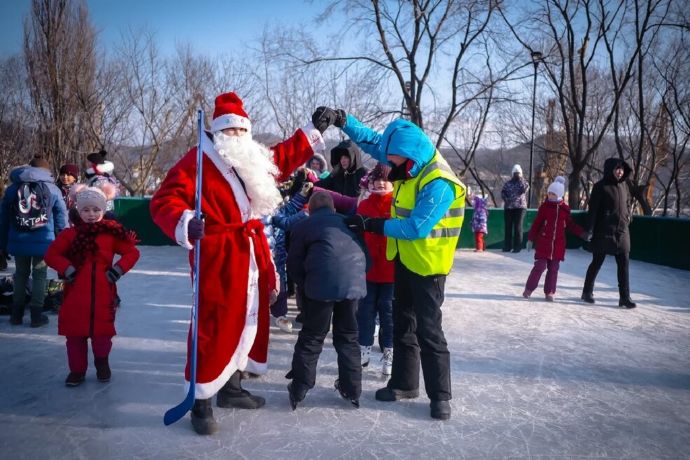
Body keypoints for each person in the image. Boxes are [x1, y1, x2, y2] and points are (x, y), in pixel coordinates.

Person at [149, 91, 327, 435]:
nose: (235, 137)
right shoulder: (196, 161)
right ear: (217, 132)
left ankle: (231, 389)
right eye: (229, 131)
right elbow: (162, 201)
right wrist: (185, 221)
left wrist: (311, 130)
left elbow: (282, 157)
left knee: (246, 321)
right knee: (212, 323)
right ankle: (201, 402)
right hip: (216, 252)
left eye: (240, 131)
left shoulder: (250, 158)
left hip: (249, 250)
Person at [314, 106, 466, 420]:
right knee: (402, 325)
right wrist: (345, 122)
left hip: (430, 268)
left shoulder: (439, 183)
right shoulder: (408, 160)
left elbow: (416, 228)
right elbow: (373, 142)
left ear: (407, 156)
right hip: (404, 261)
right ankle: (404, 384)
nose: (387, 163)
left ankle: (440, 396)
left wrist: (372, 224)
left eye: (392, 159)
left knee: (429, 331)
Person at [44, 187, 140, 386]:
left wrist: (116, 271)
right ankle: (77, 371)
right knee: (75, 336)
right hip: (75, 296)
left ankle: (102, 362)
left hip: (103, 295)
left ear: (103, 211)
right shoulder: (70, 235)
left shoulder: (111, 234)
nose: (91, 214)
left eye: (96, 210)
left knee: (102, 335)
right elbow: (51, 255)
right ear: (78, 212)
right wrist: (68, 269)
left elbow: (132, 253)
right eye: (86, 210)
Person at [285, 191, 367, 410]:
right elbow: (364, 254)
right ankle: (352, 389)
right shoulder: (347, 223)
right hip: (353, 285)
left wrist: (306, 285)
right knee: (348, 337)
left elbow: (293, 264)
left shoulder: (303, 226)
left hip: (320, 286)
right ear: (333, 208)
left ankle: (300, 386)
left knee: (312, 336)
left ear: (310, 209)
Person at [0, 155, 68, 327]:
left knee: (20, 275)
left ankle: (16, 314)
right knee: (40, 275)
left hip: (18, 239)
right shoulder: (53, 189)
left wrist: (3, 242)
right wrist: (63, 239)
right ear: (46, 171)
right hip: (44, 240)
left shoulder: (12, 188)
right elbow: (61, 217)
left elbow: (3, 218)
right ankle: (36, 316)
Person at [581, 158, 646, 308]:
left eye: (622, 169)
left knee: (624, 264)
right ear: (610, 169)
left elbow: (628, 202)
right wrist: (589, 231)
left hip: (622, 231)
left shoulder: (625, 185)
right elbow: (593, 211)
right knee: (597, 262)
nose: (620, 171)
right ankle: (587, 292)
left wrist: (628, 216)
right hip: (603, 231)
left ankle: (625, 297)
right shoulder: (600, 187)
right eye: (617, 168)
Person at [355, 163, 394, 375]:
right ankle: (364, 351)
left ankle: (389, 353)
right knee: (365, 312)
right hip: (368, 270)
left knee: (388, 315)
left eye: (385, 178)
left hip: (391, 271)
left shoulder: (397, 204)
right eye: (377, 178)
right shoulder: (364, 205)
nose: (380, 182)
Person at [522, 176, 587, 301]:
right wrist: (530, 239)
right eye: (549, 193)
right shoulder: (544, 207)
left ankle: (550, 292)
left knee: (553, 269)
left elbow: (570, 225)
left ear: (559, 195)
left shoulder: (564, 209)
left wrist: (582, 233)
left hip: (558, 245)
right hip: (544, 243)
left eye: (552, 194)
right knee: (540, 266)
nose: (549, 195)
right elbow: (537, 224)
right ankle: (529, 289)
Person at [84, 149, 121, 218]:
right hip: (102, 211)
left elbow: (97, 196)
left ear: (93, 164)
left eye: (88, 162)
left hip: (102, 212)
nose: (87, 164)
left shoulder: (99, 180)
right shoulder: (100, 177)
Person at [501, 164, 529, 253]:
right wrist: (506, 200)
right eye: (515, 173)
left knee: (518, 227)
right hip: (509, 207)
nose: (516, 175)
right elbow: (503, 192)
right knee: (508, 227)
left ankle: (518, 246)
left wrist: (520, 178)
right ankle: (507, 246)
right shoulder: (508, 183)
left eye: (518, 173)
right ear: (512, 174)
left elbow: (525, 188)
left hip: (520, 207)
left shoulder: (524, 182)